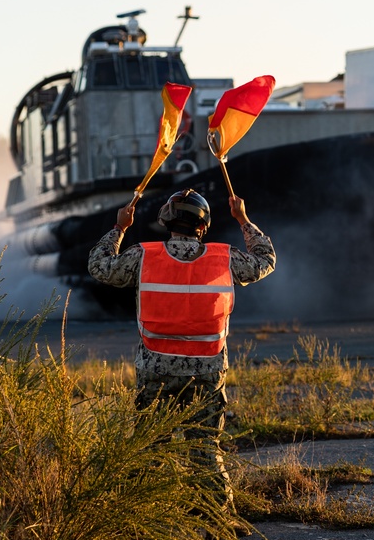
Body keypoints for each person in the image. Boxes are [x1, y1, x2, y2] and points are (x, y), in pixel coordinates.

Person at [88, 188, 275, 509]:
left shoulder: (143, 255)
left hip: (156, 370)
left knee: (151, 445)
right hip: (206, 370)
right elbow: (265, 260)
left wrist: (119, 228)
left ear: (165, 221)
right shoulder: (224, 257)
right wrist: (243, 219)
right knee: (204, 448)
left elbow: (99, 266)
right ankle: (216, 517)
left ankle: (143, 514)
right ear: (203, 227)